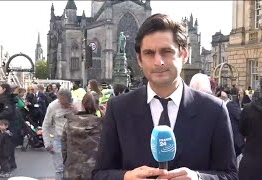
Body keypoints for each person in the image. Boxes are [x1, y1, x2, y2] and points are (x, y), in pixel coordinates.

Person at [92, 13, 237, 180]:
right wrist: (126, 177)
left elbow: (230, 175)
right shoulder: (118, 108)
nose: (158, 62)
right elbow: (100, 174)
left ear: (184, 54)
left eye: (166, 51)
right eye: (149, 53)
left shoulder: (214, 109)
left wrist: (199, 178)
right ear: (139, 59)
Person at [62, 93, 104, 179]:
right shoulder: (102, 124)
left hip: (72, 170)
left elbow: (64, 148)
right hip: (94, 171)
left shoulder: (69, 123)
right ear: (97, 106)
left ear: (82, 104)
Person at [42, 89, 75, 180]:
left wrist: (76, 110)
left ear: (70, 100)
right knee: (59, 169)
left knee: (73, 168)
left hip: (74, 140)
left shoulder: (77, 104)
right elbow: (45, 125)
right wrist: (47, 144)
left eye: (65, 104)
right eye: (61, 103)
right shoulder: (53, 106)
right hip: (59, 139)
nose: (62, 106)